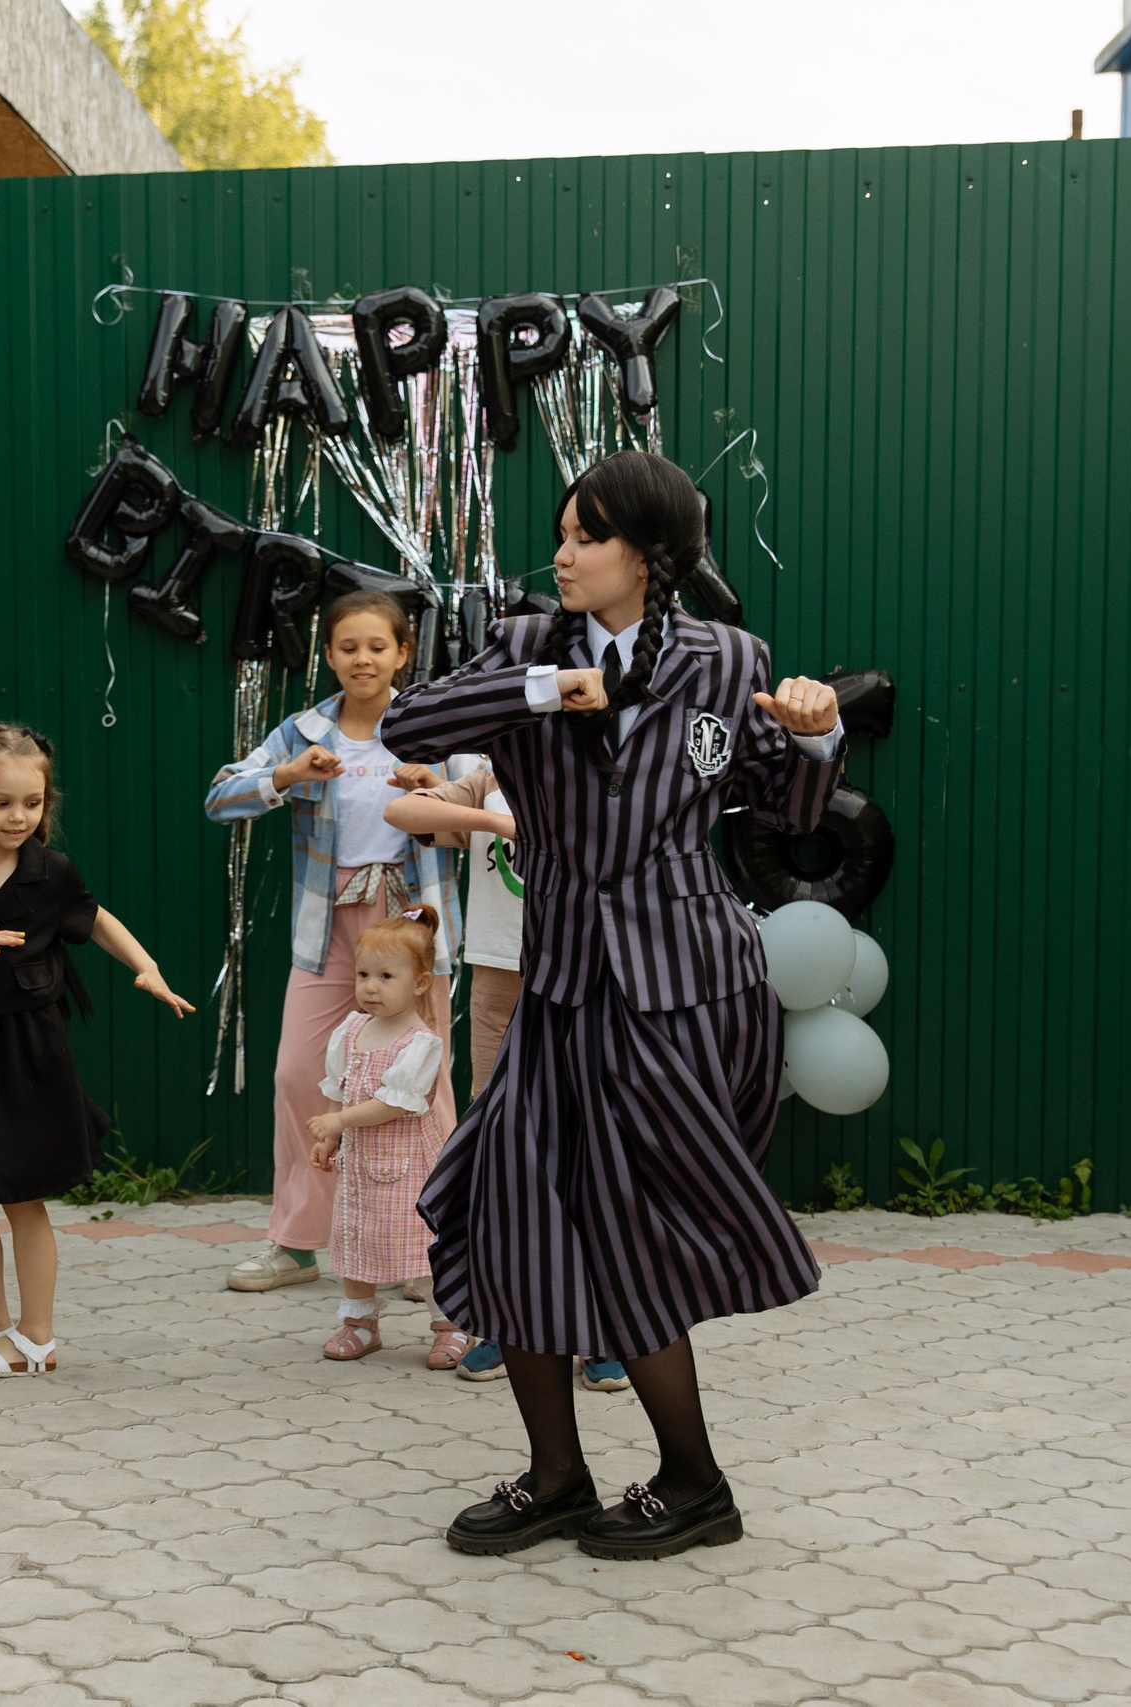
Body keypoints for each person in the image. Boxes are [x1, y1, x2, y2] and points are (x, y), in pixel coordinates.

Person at [381, 449, 844, 1562]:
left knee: (632, 1228)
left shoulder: (731, 658)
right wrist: (551, 690)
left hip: (688, 986)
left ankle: (693, 1484)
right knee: (508, 1214)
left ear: (653, 553)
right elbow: (408, 729)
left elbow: (778, 803)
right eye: (562, 532)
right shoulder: (527, 645)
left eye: (587, 534)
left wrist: (818, 733)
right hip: (562, 982)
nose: (564, 551)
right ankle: (557, 1477)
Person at [0, 722, 193, 1377]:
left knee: (21, 1196)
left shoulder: (52, 873)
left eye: (33, 802)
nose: (20, 815)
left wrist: (147, 965)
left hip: (26, 1055)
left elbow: (98, 917)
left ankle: (37, 1339)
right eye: (2, 802)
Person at [202, 593, 461, 1349]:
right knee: (297, 1073)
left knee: (428, 1085)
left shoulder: (430, 722)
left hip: (412, 927)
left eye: (377, 646)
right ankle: (298, 1240)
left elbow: (488, 791)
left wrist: (434, 788)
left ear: (403, 653)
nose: (363, 659)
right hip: (329, 927)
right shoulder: (305, 730)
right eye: (347, 646)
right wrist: (284, 775)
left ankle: (425, 1249)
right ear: (329, 655)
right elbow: (221, 795)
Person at [386, 765, 629, 1394]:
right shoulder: (489, 774)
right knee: (500, 1146)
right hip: (500, 972)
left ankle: (598, 1331)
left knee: (587, 1150)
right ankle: (500, 1319)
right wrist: (495, 820)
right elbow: (406, 814)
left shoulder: (608, 767)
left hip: (585, 974)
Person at [306, 905, 461, 1367]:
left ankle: (450, 1325)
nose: (370, 987)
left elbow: (395, 1103)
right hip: (361, 1170)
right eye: (363, 974)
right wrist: (329, 1136)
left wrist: (341, 1122)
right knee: (356, 1241)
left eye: (386, 977)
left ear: (419, 983)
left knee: (425, 1248)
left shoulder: (420, 1043)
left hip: (410, 1170)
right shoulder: (352, 1029)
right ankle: (360, 1324)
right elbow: (339, 1085)